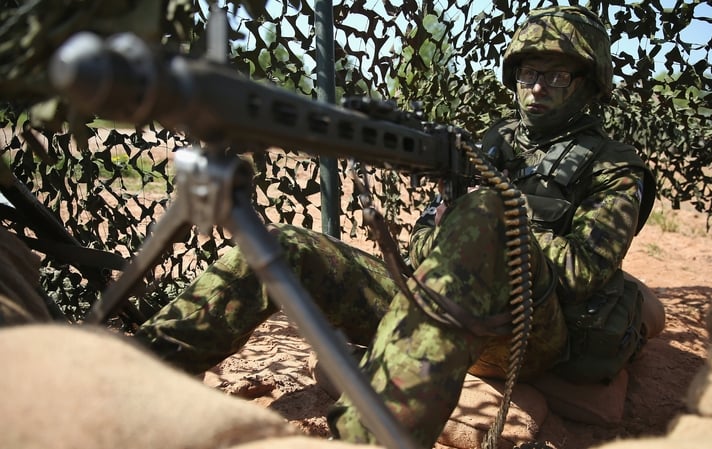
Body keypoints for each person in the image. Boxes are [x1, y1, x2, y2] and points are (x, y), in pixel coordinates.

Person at [134, 5, 663, 448]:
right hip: (440, 296)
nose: (537, 88)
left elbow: (581, 272)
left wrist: (499, 223)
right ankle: (139, 374)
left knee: (486, 215)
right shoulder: (492, 142)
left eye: (557, 76)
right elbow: (422, 240)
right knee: (287, 247)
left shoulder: (615, 167)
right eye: (528, 74)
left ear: (589, 84)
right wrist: (459, 225)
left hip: (531, 331)